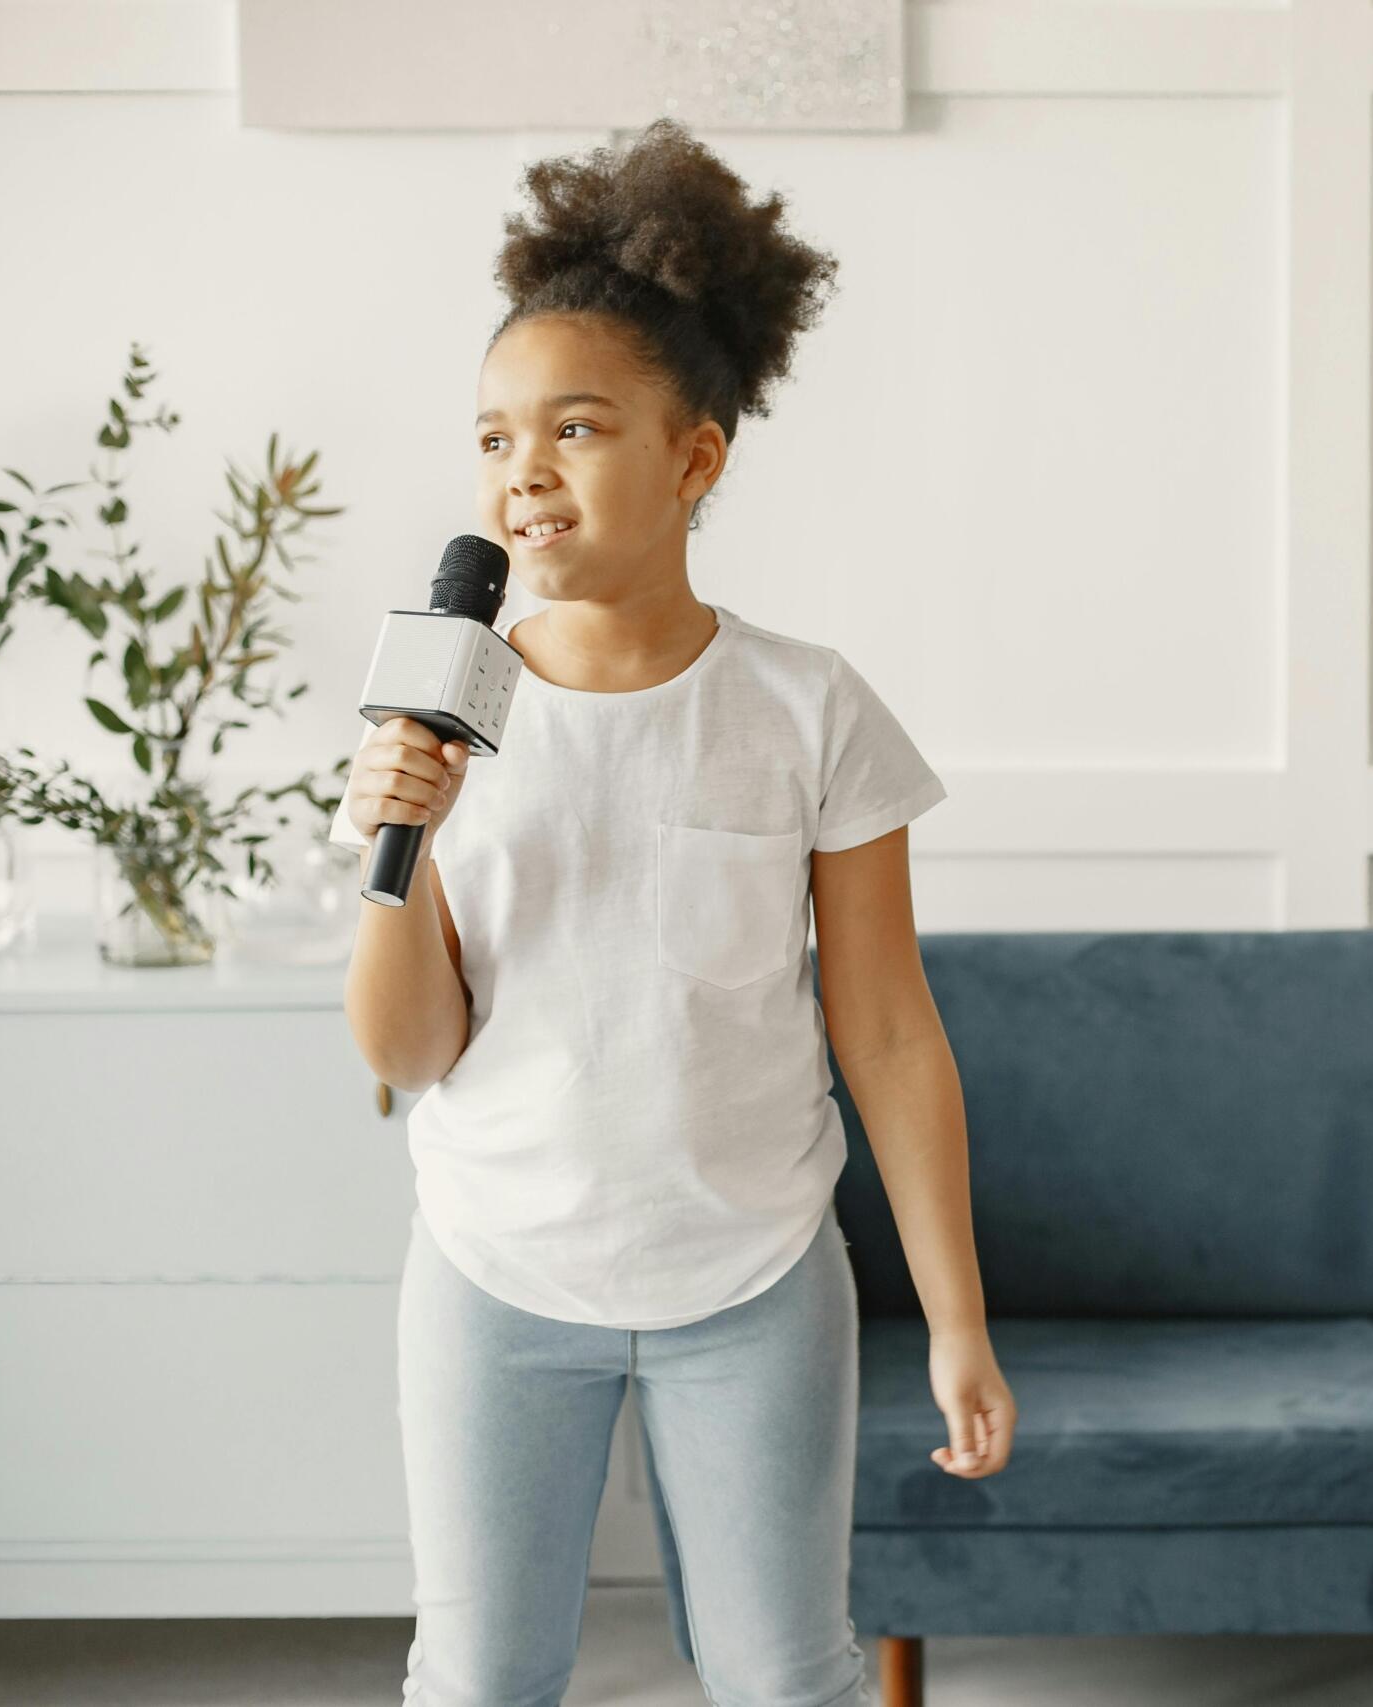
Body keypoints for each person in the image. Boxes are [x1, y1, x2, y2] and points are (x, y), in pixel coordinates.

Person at [331, 117, 1015, 1707]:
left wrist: (959, 1321)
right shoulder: (428, 708)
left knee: (791, 1675)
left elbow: (892, 1036)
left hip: (755, 1278)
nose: (524, 471)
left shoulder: (807, 706)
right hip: (496, 1272)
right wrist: (403, 842)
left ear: (696, 456)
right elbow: (409, 1046)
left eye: (574, 427)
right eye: (496, 437)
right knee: (484, 1675)